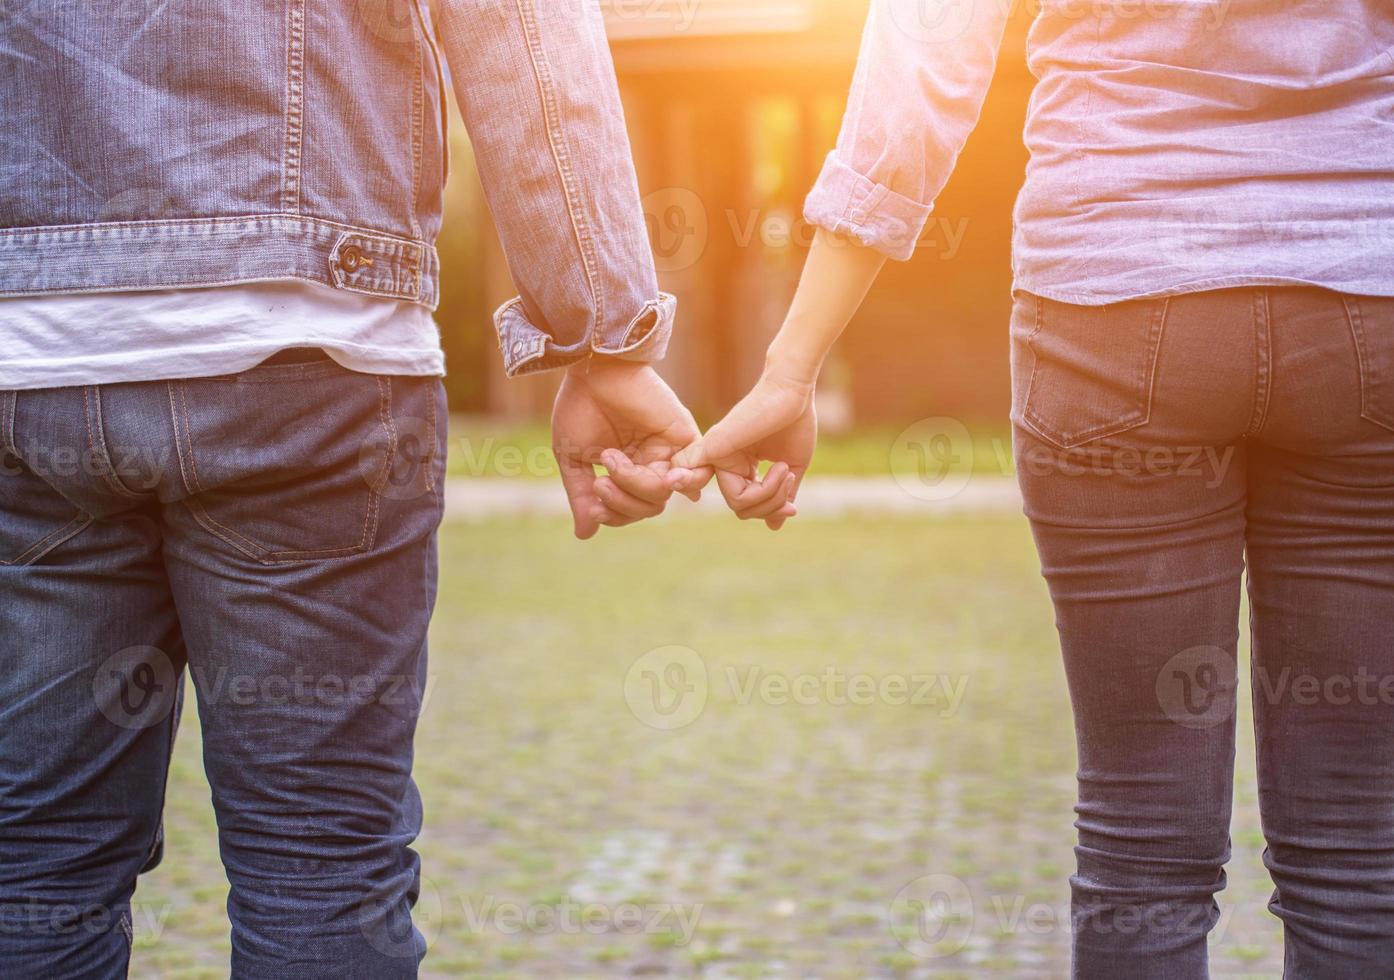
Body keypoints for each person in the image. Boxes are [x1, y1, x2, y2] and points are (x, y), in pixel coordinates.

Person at [672, 0, 1394, 973]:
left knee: (1141, 839)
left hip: (1110, 304)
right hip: (1362, 297)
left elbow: (920, 59)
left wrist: (792, 364)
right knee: (1357, 845)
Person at [0, 2, 709, 976]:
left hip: (29, 362)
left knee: (35, 860)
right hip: (312, 353)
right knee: (318, 865)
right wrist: (598, 331)